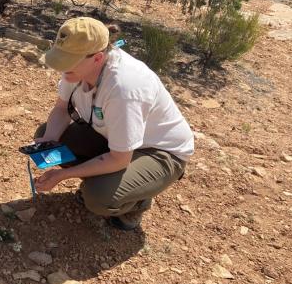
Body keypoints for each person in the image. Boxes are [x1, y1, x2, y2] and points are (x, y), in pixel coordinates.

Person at [33, 17, 194, 230]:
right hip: (115, 139)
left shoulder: (124, 88)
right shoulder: (76, 69)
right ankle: (108, 178)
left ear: (98, 58)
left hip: (159, 152)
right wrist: (48, 141)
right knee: (50, 136)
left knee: (98, 195)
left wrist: (63, 175)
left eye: (68, 61)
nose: (62, 68)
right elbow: (62, 109)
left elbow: (119, 158)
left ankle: (138, 200)